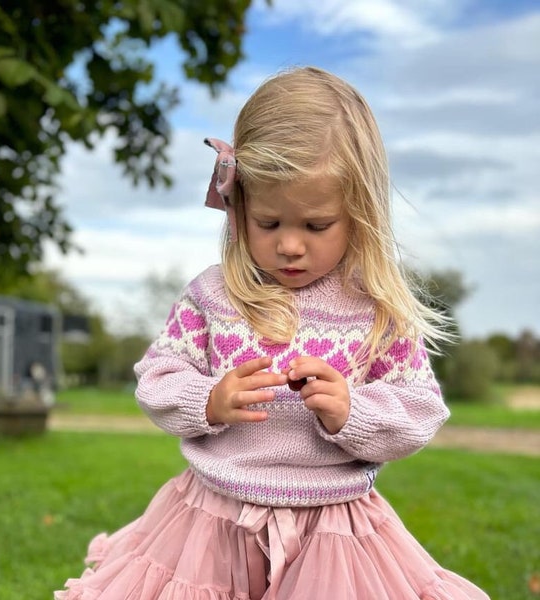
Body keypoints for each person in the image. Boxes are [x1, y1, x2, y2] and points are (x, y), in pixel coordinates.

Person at [55, 66, 489, 599]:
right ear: (238, 209)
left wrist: (352, 409)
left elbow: (420, 409)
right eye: (269, 223)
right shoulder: (214, 297)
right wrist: (208, 400)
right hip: (211, 524)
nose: (290, 245)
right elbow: (157, 376)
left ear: (359, 215)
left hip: (333, 532)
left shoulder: (376, 314)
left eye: (315, 225)